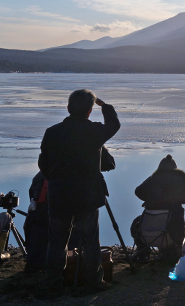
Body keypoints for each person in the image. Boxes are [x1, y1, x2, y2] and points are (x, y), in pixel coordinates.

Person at [38, 89, 120, 290]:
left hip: (59, 195)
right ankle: (93, 281)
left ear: (67, 108)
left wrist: (56, 179)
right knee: (90, 240)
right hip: (87, 195)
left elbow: (43, 164)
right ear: (90, 111)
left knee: (57, 241)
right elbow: (114, 124)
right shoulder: (94, 131)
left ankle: (53, 283)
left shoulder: (52, 132)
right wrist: (106, 107)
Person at [23, 147, 116, 273]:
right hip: (81, 193)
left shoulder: (41, 176)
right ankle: (93, 277)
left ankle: (53, 278)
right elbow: (109, 164)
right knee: (89, 235)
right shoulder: (91, 140)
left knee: (57, 238)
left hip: (39, 245)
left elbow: (42, 163)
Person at [133, 154, 185, 262]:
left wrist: (151, 199)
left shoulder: (153, 179)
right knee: (177, 222)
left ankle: (144, 253)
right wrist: (175, 198)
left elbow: (138, 192)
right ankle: (172, 252)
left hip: (147, 233)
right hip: (173, 233)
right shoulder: (180, 180)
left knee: (136, 223)